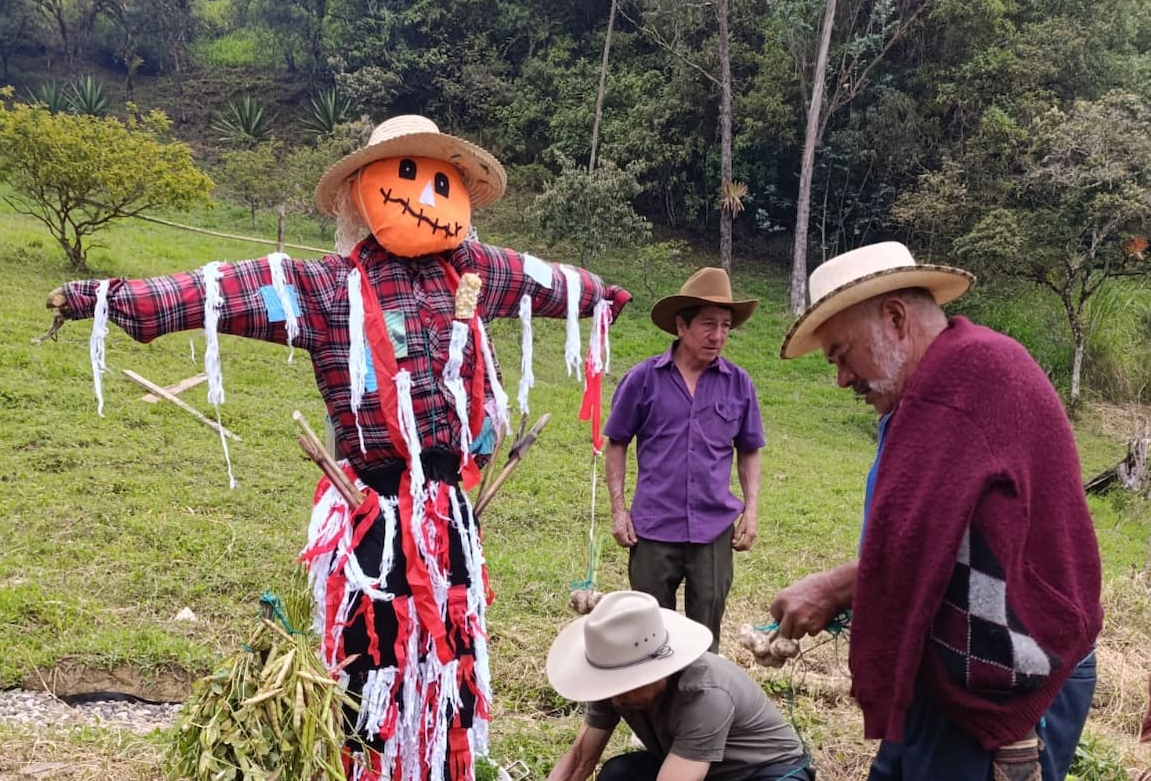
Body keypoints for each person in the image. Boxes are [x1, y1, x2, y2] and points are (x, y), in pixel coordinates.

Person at [43, 115, 631, 781]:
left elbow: (543, 281)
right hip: (370, 511)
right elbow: (219, 293)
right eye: (405, 174)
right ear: (362, 192)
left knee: (451, 655)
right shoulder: (325, 288)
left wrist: (600, 295)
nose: (426, 193)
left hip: (449, 512)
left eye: (441, 178)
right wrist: (99, 297)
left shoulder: (474, 273)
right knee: (369, 663)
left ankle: (443, 767)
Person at [770, 241, 1102, 781]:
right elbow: (932, 541)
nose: (841, 379)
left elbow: (916, 546)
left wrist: (832, 589)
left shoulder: (965, 381)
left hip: (1014, 680)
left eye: (841, 354)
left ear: (895, 319)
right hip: (957, 673)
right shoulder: (940, 385)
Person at [604, 267, 763, 650]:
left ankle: (696, 709)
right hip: (653, 527)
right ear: (681, 325)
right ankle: (651, 709)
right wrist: (618, 510)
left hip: (713, 529)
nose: (718, 336)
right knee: (647, 638)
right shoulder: (643, 379)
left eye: (726, 326)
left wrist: (753, 509)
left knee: (704, 638)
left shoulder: (738, 383)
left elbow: (749, 449)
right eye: (708, 324)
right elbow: (617, 442)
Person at [545, 589, 814, 781]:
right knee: (620, 774)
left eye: (628, 684)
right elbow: (580, 760)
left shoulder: (705, 694)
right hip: (700, 768)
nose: (617, 698)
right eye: (611, 686)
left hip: (764, 771)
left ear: (660, 669)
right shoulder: (611, 680)